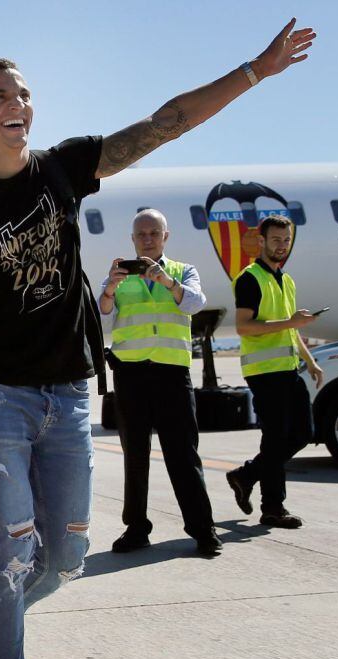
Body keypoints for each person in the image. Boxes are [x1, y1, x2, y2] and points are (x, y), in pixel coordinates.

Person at [0, 21, 315, 659]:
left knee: (64, 558)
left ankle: (0, 616)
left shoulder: (62, 169)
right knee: (7, 551)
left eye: (23, 92)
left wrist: (255, 70)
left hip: (72, 391)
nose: (15, 101)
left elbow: (164, 124)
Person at [98, 209, 222, 556]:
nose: (148, 239)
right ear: (133, 240)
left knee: (183, 454)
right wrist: (109, 287)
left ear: (165, 236)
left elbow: (196, 304)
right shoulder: (122, 276)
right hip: (131, 373)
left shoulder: (183, 271)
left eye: (154, 233)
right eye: (141, 234)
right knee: (134, 455)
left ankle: (203, 529)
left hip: (171, 374)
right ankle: (136, 528)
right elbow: (102, 313)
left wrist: (168, 281)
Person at [227, 214, 323, 527]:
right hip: (264, 372)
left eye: (286, 240)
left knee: (303, 434)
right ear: (262, 241)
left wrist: (310, 361)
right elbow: (244, 326)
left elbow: (291, 329)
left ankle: (246, 475)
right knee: (275, 438)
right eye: (276, 240)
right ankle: (273, 509)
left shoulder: (286, 279)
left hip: (288, 369)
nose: (282, 246)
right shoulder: (249, 278)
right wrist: (292, 322)